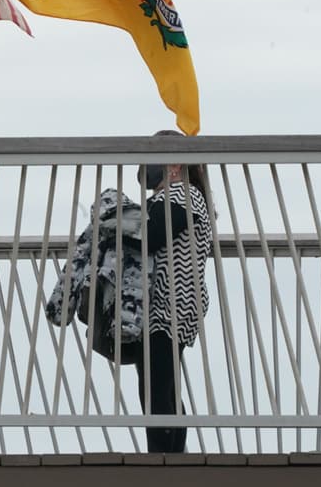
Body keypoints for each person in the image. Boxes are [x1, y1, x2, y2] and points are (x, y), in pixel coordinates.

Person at [128, 130, 212, 453]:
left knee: (157, 384)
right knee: (161, 382)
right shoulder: (175, 197)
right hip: (169, 303)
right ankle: (171, 453)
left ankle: (164, 455)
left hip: (171, 303)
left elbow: (153, 235)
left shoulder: (184, 195)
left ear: (175, 163)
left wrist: (122, 224)